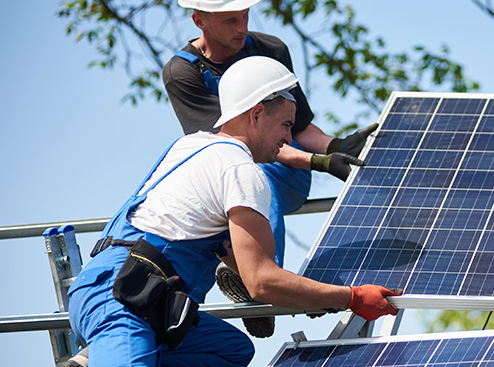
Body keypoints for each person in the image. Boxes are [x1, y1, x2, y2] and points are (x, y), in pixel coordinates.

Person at [67, 56, 401, 367]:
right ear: (256, 114)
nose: (288, 137)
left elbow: (234, 260)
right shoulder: (241, 170)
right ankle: (104, 353)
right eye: (285, 124)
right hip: (125, 303)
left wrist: (310, 295)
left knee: (230, 350)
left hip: (114, 287)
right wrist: (352, 297)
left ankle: (95, 358)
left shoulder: (191, 146)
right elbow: (260, 281)